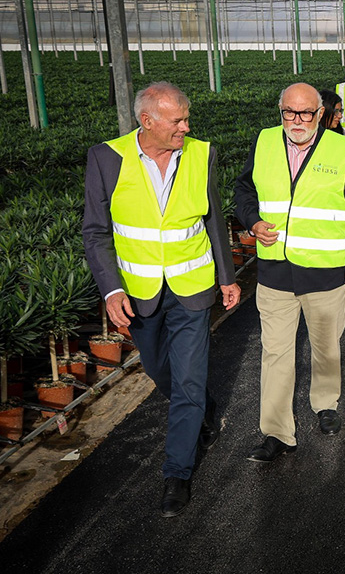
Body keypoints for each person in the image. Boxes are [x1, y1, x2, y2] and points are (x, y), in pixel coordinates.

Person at [83, 82, 240, 517]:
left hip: (192, 288)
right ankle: (203, 410)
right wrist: (112, 289)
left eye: (187, 118)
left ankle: (177, 472)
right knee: (161, 371)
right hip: (140, 294)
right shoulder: (107, 158)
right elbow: (95, 232)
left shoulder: (201, 153)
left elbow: (212, 218)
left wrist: (226, 277)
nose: (186, 127)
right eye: (178, 120)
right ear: (147, 121)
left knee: (188, 380)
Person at [234, 82, 345, 463]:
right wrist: (252, 221)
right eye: (289, 113)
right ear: (280, 112)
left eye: (306, 113)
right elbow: (243, 190)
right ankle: (277, 432)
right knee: (275, 352)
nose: (297, 121)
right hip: (275, 270)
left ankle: (325, 402)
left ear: (320, 114)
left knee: (326, 346)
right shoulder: (263, 142)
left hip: (325, 271)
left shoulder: (342, 148)